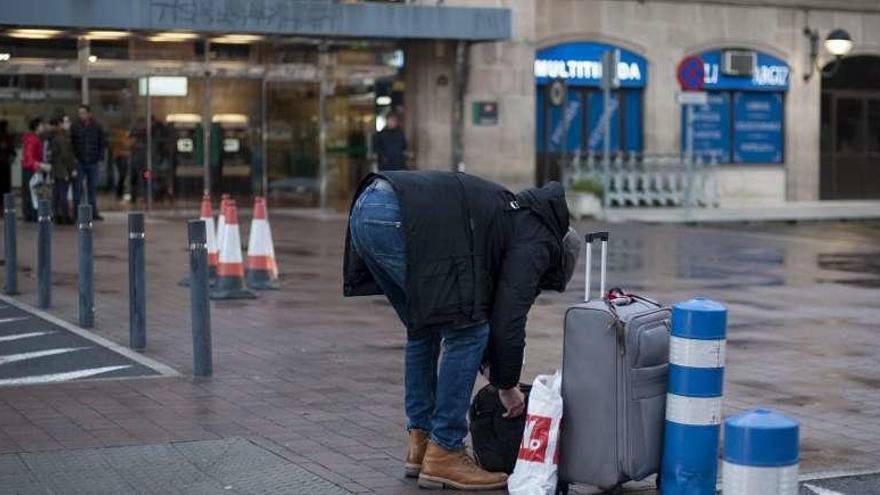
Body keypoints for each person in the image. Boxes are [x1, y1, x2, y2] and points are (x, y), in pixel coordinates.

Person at [344, 171, 581, 490]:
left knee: (424, 327)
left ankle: (421, 442)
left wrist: (488, 364)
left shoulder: (513, 213)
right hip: (396, 218)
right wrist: (506, 384)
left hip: (369, 207)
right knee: (468, 333)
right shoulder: (539, 241)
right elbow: (508, 318)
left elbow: (481, 301)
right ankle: (445, 449)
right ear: (556, 257)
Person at [70, 104, 106, 220]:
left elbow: (102, 143)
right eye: (80, 113)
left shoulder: (97, 127)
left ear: (89, 114)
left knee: (92, 189)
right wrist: (74, 159)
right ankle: (76, 213)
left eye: (83, 113)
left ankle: (93, 213)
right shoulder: (75, 127)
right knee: (78, 188)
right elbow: (72, 144)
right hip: (79, 162)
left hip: (93, 161)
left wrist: (100, 158)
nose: (81, 115)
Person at [46, 115, 76, 224]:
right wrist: (72, 168)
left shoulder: (55, 136)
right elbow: (66, 155)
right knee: (63, 194)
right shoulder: (62, 137)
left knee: (56, 194)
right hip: (63, 170)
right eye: (66, 122)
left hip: (56, 169)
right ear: (60, 124)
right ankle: (64, 217)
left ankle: (57, 215)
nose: (69, 124)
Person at [20, 118, 47, 222]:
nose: (43, 127)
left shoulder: (30, 138)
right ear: (37, 127)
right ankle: (33, 214)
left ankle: (29, 214)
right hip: (32, 169)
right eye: (41, 125)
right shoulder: (33, 139)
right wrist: (38, 166)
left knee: (30, 192)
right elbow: (29, 155)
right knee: (34, 193)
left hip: (29, 168)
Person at [0, 120, 15, 197]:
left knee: (5, 184)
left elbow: (11, 149)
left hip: (5, 162)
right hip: (4, 162)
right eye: (7, 126)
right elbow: (11, 149)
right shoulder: (6, 136)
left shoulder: (7, 136)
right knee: (5, 184)